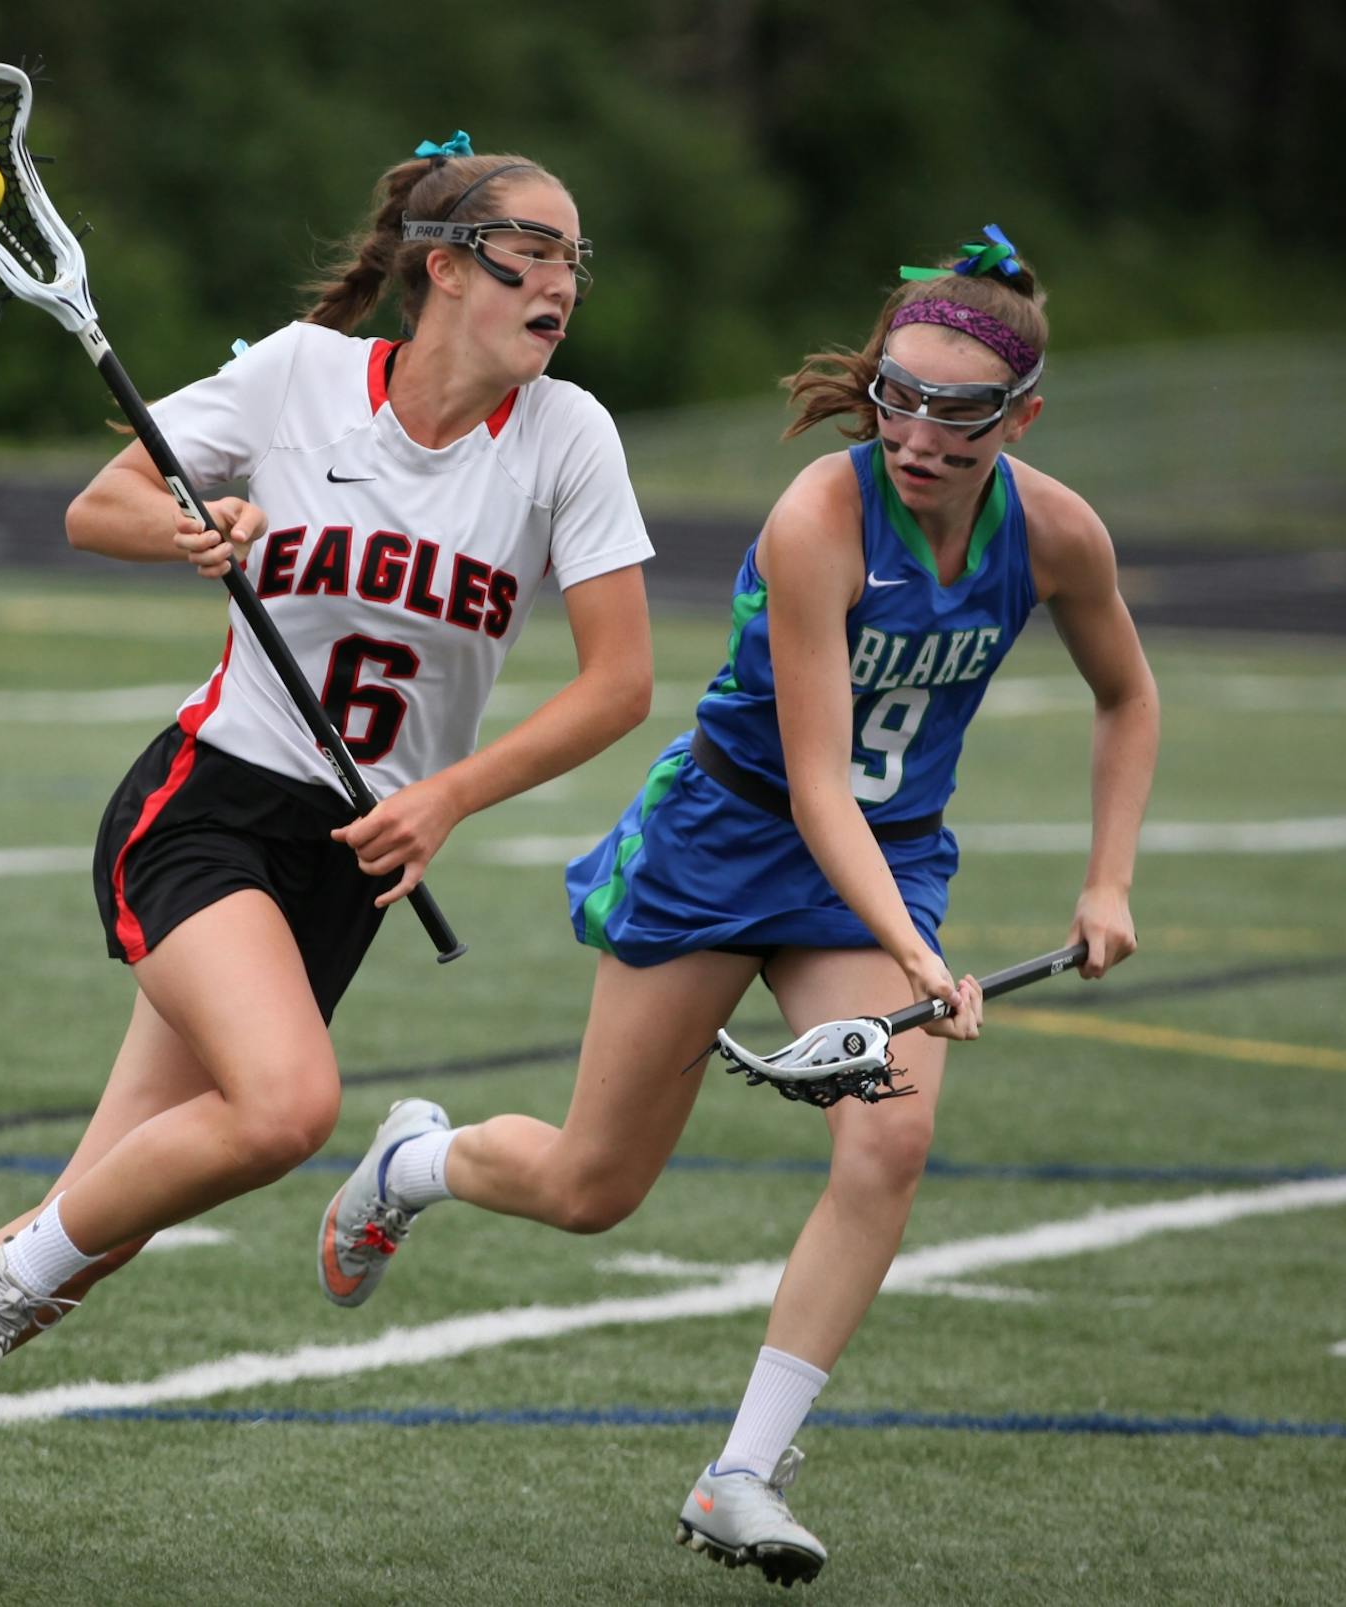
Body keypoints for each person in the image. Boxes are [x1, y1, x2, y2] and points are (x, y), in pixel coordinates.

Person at [0, 133, 656, 1572]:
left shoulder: (565, 438)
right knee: (287, 1109)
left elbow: (620, 686)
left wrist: (452, 797)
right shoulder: (297, 375)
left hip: (351, 860)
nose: (564, 281)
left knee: (88, 1228)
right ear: (447, 264)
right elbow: (100, 504)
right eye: (535, 249)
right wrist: (196, 531)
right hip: (210, 805)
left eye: (574, 258)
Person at [319, 225, 1159, 1587]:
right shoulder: (819, 519)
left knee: (889, 1148)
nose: (923, 433)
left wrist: (1107, 877)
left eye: (961, 412)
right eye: (901, 395)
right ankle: (417, 1162)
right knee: (595, 1188)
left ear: (1023, 416)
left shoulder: (1056, 534)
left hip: (885, 866)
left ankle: (742, 1474)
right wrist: (914, 953)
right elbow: (818, 785)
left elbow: (1129, 698)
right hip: (732, 840)